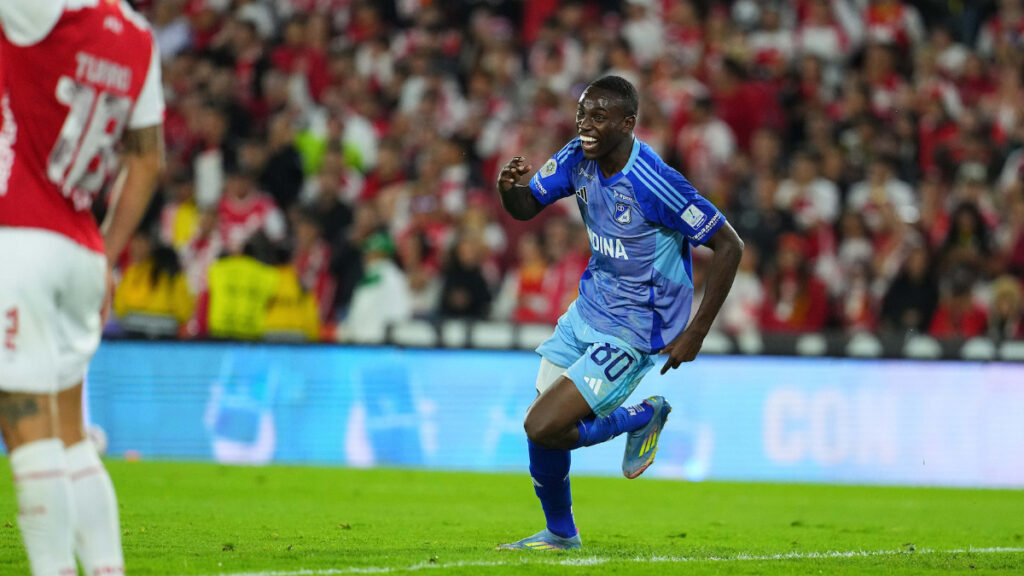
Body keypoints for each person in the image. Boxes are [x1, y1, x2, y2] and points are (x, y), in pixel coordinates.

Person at [494, 76, 743, 550]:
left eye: (599, 117)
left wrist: (698, 330)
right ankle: (560, 534)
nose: (585, 126)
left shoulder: (656, 182)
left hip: (636, 327)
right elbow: (527, 206)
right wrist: (509, 191)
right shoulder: (576, 156)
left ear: (628, 124)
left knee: (542, 425)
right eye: (583, 114)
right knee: (543, 428)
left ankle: (639, 416)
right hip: (589, 307)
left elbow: (728, 244)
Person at [0, 1, 165, 575]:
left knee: (24, 422)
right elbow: (148, 160)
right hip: (84, 248)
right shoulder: (140, 38)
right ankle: (105, 568)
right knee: (71, 434)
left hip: (21, 238)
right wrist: (109, 256)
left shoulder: (42, 9)